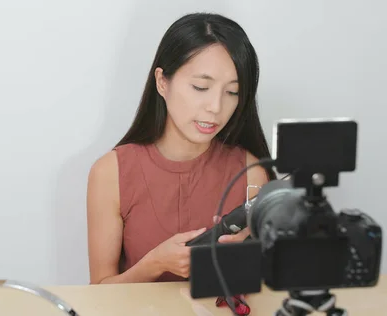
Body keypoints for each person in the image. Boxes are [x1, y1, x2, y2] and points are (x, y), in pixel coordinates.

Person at [86, 12, 276, 285]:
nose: (215, 107)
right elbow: (99, 291)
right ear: (163, 82)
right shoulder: (111, 173)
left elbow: (268, 289)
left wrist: (254, 257)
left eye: (232, 92)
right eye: (201, 87)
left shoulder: (251, 172)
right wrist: (154, 264)